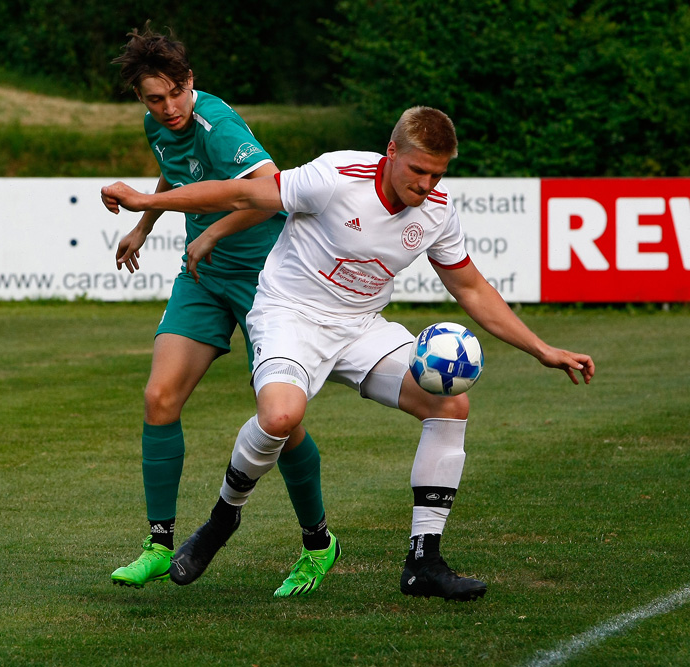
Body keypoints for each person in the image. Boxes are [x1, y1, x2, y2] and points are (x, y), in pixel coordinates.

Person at [102, 106, 595, 601]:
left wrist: (540, 348)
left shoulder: (438, 212)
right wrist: (149, 200)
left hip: (361, 329)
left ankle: (424, 560)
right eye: (418, 170)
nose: (426, 184)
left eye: (437, 173)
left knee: (450, 404)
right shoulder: (336, 176)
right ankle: (221, 519)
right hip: (288, 316)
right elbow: (242, 191)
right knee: (279, 417)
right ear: (392, 152)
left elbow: (470, 287)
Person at [106, 25, 339, 597]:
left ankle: (318, 542)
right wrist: (144, 225)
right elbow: (178, 172)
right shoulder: (158, 124)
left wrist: (209, 234)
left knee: (281, 423)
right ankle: (159, 545)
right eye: (153, 100)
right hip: (205, 278)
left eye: (174, 95)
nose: (167, 109)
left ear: (191, 82)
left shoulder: (218, 122)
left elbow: (267, 189)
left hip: (270, 278)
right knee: (159, 397)